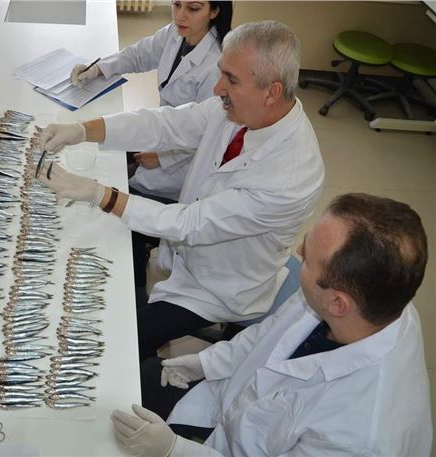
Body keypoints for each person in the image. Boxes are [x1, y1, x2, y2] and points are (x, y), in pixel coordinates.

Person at [38, 21, 325, 360]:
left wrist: (101, 194)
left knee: (116, 343)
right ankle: (133, 286)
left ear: (272, 92)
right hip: (191, 235)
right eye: (221, 73)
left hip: (219, 286)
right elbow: (165, 124)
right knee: (108, 228)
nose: (217, 88)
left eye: (231, 80)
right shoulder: (238, 109)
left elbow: (190, 223)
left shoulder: (293, 175)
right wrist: (83, 130)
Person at [110, 193, 432, 456]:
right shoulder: (372, 297)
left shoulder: (357, 439)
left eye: (307, 257)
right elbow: (266, 334)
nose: (297, 252)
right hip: (226, 405)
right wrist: (205, 363)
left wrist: (173, 451)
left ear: (338, 303)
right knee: (136, 382)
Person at [72, 1, 232, 202]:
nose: (180, 16)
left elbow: (204, 132)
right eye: (177, 4)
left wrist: (163, 158)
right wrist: (100, 68)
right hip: (161, 130)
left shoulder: (215, 67)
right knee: (103, 153)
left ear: (214, 11)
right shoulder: (176, 33)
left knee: (114, 191)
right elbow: (139, 55)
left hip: (179, 164)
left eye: (193, 8)